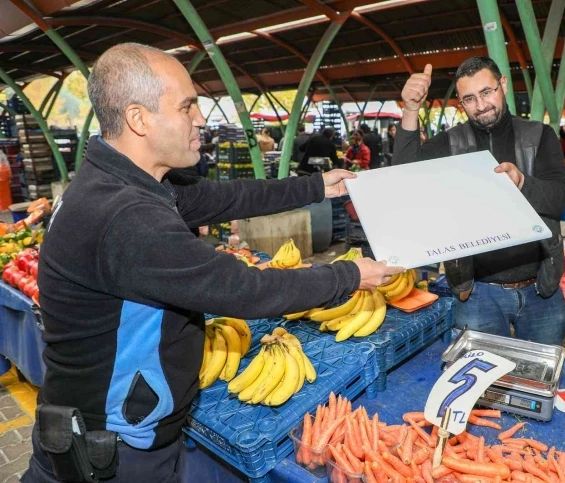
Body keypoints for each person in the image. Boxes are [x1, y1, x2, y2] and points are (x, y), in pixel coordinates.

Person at [24, 43, 401, 483]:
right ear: (138, 118)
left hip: (100, 433)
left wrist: (317, 186)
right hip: (112, 453)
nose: (200, 119)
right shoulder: (125, 218)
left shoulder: (123, 183)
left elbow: (225, 197)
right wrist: (352, 273)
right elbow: (245, 289)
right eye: (186, 106)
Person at [393, 56, 565, 345]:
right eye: (469, 99)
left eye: (487, 92)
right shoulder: (449, 144)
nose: (481, 105)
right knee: (483, 382)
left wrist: (521, 182)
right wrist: (411, 109)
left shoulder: (539, 136)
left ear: (503, 85)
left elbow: (559, 199)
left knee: (539, 379)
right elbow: (404, 178)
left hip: (541, 288)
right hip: (476, 293)